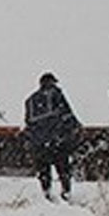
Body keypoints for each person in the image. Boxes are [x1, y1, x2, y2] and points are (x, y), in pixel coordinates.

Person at [23, 72, 82, 201]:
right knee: (63, 168)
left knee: (44, 170)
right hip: (57, 140)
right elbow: (67, 114)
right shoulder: (56, 94)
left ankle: (46, 192)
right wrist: (76, 127)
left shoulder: (30, 100)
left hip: (39, 143)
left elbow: (28, 122)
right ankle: (66, 192)